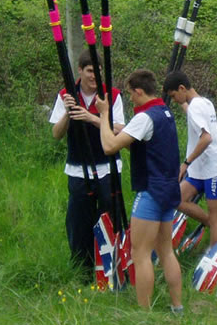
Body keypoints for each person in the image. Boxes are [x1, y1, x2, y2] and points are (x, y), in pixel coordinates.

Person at [96, 69, 182, 310]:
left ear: (139, 91)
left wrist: (103, 115)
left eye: (131, 94)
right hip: (168, 190)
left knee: (140, 253)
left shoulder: (145, 118)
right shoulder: (165, 112)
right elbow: (147, 147)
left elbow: (109, 147)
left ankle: (145, 313)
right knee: (166, 251)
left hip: (151, 192)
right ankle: (177, 307)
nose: (131, 99)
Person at [50, 49, 124, 274]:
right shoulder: (66, 94)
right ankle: (82, 269)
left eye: (98, 71)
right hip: (77, 169)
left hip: (108, 168)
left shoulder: (112, 94)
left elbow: (120, 130)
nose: (94, 76)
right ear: (80, 71)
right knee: (79, 221)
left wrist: (92, 118)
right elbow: (56, 134)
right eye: (90, 71)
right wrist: (68, 113)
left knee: (110, 217)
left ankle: (111, 266)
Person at [163, 70, 217, 246]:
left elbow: (206, 138)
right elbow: (192, 113)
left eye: (174, 95)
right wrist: (183, 104)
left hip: (215, 167)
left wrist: (185, 163)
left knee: (216, 216)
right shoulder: (204, 102)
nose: (174, 100)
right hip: (201, 169)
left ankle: (214, 258)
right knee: (176, 199)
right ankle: (216, 227)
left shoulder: (196, 107)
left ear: (182, 88)